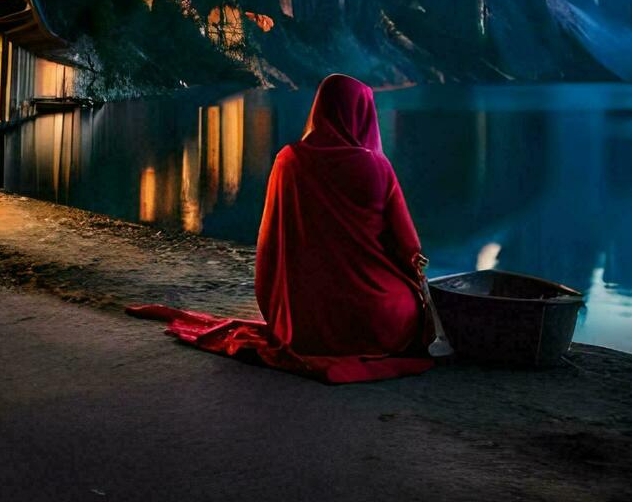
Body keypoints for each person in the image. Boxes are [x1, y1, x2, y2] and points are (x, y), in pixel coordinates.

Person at [129, 74, 434, 383]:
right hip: (375, 324)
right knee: (406, 308)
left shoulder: (289, 161)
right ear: (363, 114)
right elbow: (409, 249)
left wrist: (280, 307)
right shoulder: (377, 168)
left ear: (320, 109)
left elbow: (271, 245)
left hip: (303, 322)